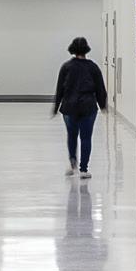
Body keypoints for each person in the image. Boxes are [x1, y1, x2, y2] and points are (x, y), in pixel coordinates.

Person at [52, 35, 109, 178]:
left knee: (71, 136)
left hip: (69, 107)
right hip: (88, 106)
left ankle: (72, 164)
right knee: (86, 138)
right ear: (86, 50)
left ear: (72, 49)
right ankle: (84, 169)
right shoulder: (93, 67)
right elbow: (100, 88)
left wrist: (56, 107)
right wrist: (102, 105)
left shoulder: (66, 67)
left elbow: (60, 89)